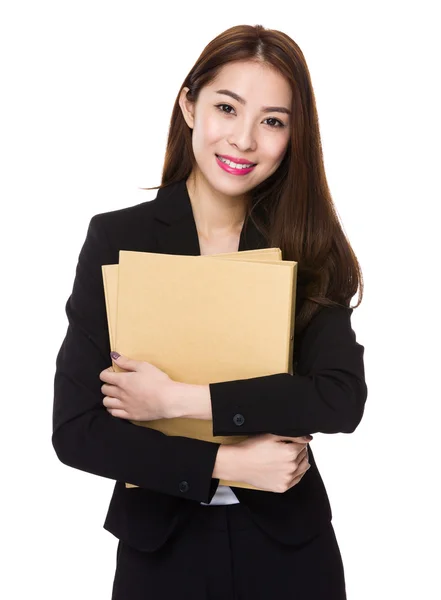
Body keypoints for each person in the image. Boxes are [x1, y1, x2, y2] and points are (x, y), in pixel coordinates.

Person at [52, 23, 367, 600]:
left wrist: (180, 400)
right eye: (228, 107)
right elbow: (77, 431)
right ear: (189, 105)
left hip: (290, 553)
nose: (244, 140)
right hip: (161, 551)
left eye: (273, 121)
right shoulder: (117, 239)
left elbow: (340, 397)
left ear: (294, 137)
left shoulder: (307, 243)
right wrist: (226, 463)